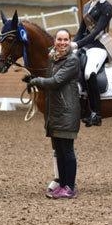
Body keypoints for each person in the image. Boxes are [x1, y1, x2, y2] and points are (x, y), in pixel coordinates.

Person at [27, 29, 81, 199]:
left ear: (69, 41)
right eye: (59, 39)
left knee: (67, 151)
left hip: (66, 112)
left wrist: (35, 80)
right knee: (59, 150)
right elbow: (48, 79)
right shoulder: (53, 58)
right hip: (55, 111)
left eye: (66, 40)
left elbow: (56, 81)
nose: (62, 42)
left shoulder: (72, 60)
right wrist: (32, 78)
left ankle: (70, 187)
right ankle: (62, 184)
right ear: (55, 41)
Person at [72, 0, 112, 127]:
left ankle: (96, 113)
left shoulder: (107, 7)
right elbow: (80, 31)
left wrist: (77, 45)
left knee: (89, 72)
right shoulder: (86, 7)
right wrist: (70, 44)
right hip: (85, 45)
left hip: (99, 46)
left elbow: (96, 32)